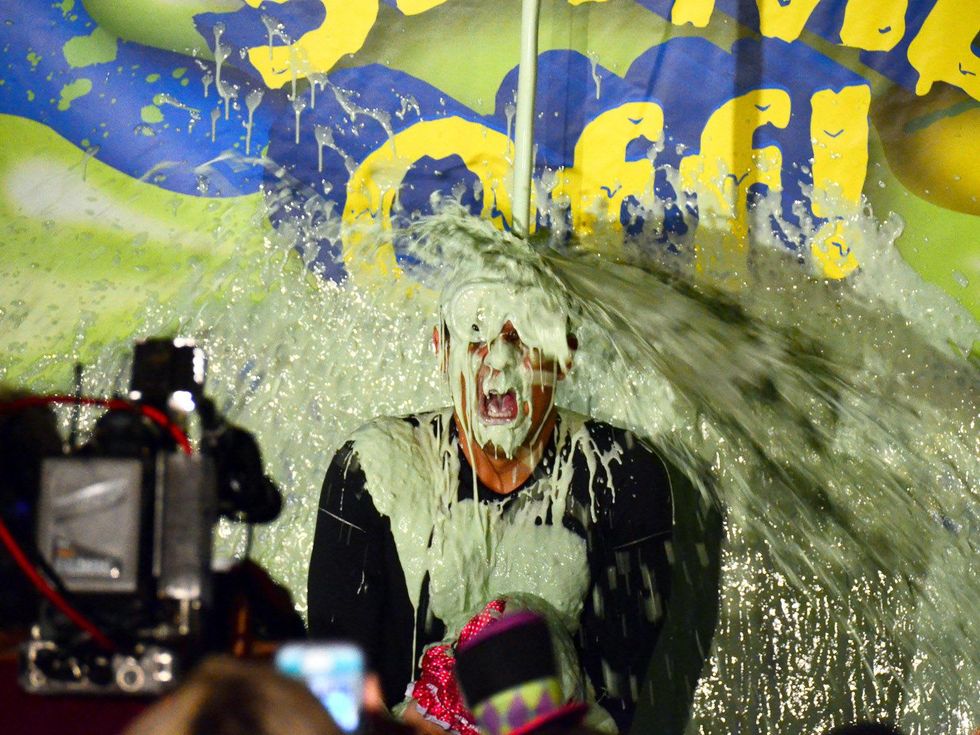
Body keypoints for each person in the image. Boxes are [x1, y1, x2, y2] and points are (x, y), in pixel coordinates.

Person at [308, 231, 720, 734]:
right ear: (442, 350)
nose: (498, 360)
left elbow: (614, 708)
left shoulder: (619, 475)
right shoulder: (376, 469)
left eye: (523, 335)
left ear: (565, 354)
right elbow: (333, 697)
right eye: (476, 333)